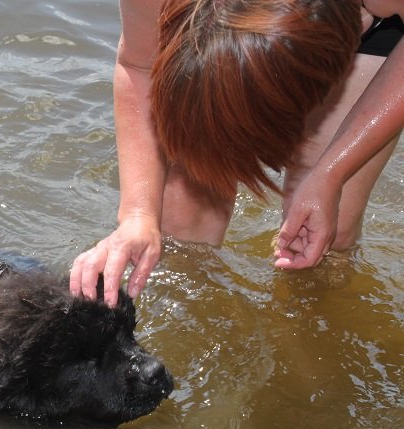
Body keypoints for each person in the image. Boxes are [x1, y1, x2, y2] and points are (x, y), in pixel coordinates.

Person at [69, 0, 404, 308]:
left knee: (326, 230)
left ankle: (311, 329)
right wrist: (137, 214)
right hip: (218, 31)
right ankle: (191, 315)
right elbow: (137, 64)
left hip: (373, 27)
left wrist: (331, 173)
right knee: (177, 212)